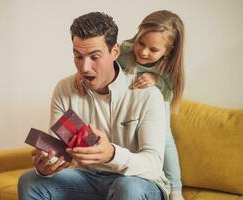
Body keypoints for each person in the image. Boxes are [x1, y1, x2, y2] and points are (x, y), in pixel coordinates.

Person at [18, 12, 170, 200]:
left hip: (138, 180)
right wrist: (47, 166)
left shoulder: (147, 94)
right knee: (30, 181)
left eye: (94, 56)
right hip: (88, 177)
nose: (84, 68)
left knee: (127, 187)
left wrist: (111, 154)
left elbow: (153, 163)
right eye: (78, 56)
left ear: (115, 51)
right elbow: (63, 153)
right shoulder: (65, 90)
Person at [117, 10, 185, 200]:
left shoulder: (169, 68)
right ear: (137, 35)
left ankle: (176, 189)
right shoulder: (124, 51)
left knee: (164, 136)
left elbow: (171, 88)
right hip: (128, 108)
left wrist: (157, 79)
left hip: (157, 104)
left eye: (153, 50)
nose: (144, 52)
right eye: (141, 43)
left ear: (168, 50)